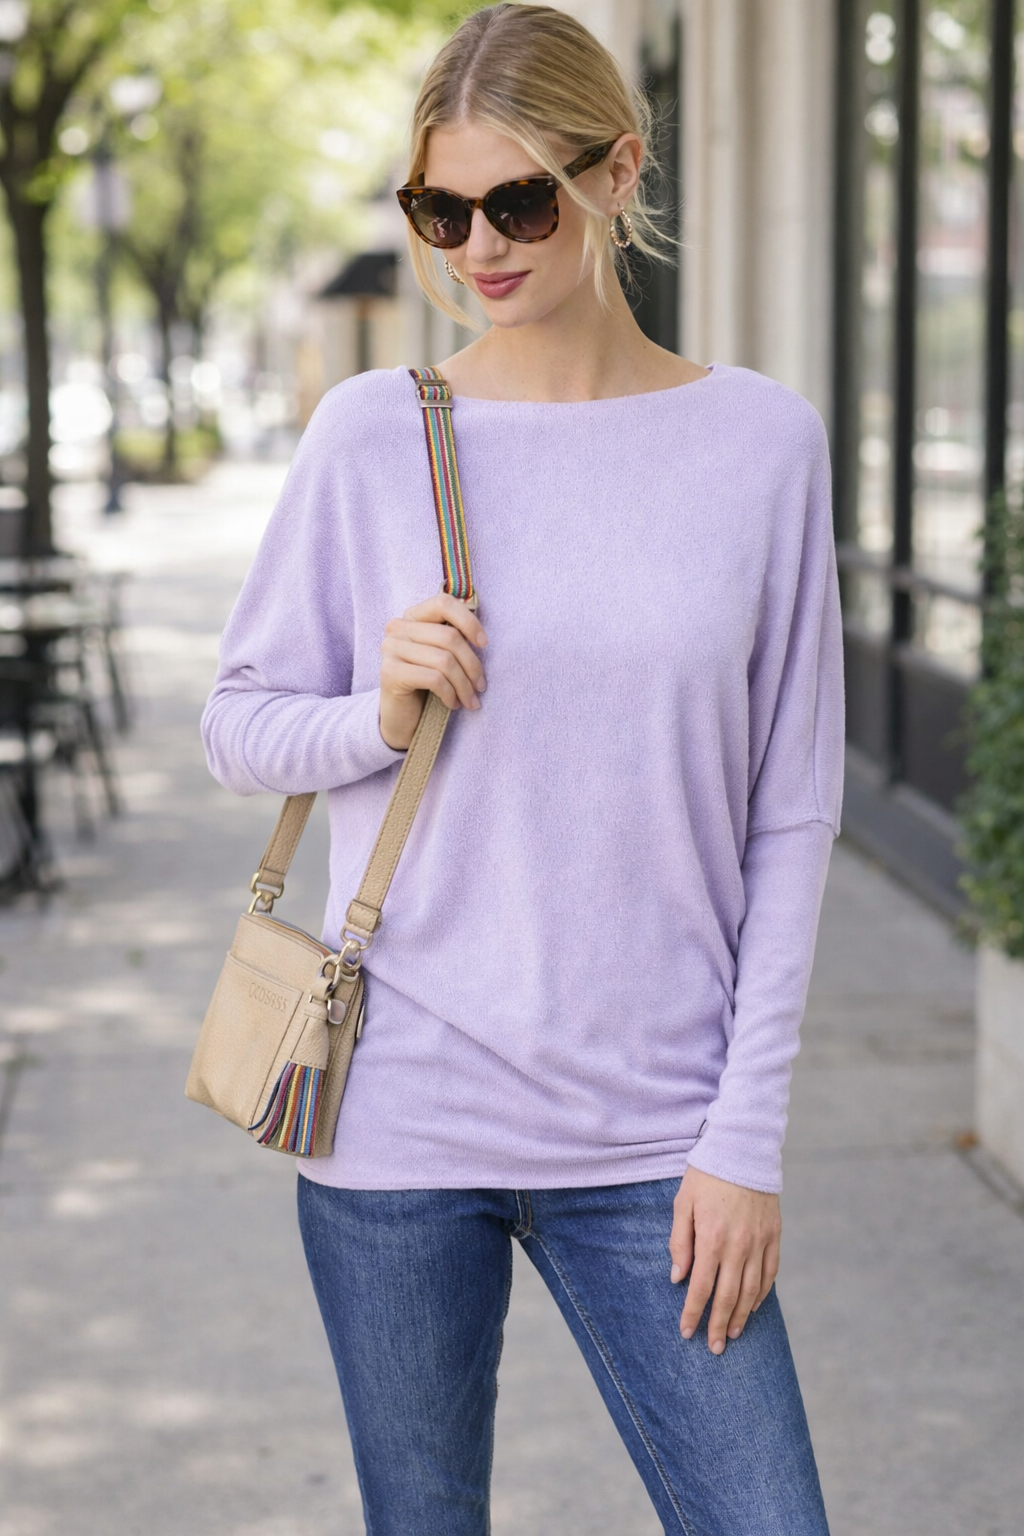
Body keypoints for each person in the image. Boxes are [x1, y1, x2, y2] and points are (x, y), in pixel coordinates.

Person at [201, 5, 843, 1532]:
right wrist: (373, 712)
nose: (475, 246)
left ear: (618, 173)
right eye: (439, 210)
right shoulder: (371, 436)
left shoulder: (762, 443)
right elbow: (238, 720)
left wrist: (743, 1141)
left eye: (517, 202)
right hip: (398, 1127)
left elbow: (795, 812)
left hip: (657, 1141)